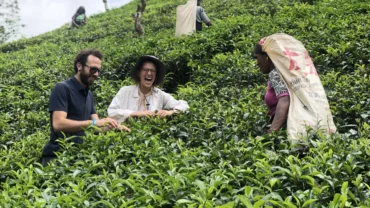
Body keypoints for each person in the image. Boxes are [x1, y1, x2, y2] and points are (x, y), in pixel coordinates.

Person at [41, 49, 130, 167]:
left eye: (98, 71)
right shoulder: (62, 88)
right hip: (57, 155)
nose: (96, 74)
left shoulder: (89, 95)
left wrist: (115, 127)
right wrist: (94, 123)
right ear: (79, 66)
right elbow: (58, 124)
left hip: (79, 154)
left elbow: (97, 127)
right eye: (93, 69)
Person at [108, 55, 189, 124]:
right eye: (146, 70)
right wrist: (136, 114)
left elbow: (184, 105)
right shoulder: (125, 91)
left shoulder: (159, 95)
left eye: (153, 71)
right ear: (139, 73)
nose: (149, 73)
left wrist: (170, 112)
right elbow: (112, 112)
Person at [253, 44, 290, 133]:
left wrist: (272, 133)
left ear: (267, 56)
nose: (257, 63)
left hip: (286, 129)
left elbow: (284, 100)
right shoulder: (284, 71)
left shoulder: (276, 73)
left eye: (257, 57)